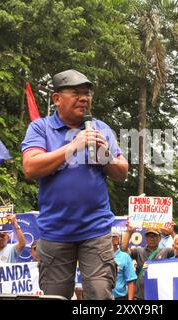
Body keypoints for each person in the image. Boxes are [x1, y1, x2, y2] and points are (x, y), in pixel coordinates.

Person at [21, 69, 128, 300]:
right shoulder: (40, 128)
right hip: (55, 232)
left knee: (100, 295)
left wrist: (106, 155)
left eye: (87, 93)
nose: (84, 98)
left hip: (95, 230)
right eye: (76, 93)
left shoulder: (100, 128)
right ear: (57, 98)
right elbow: (30, 167)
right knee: (54, 297)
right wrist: (73, 146)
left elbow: (122, 172)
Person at [121, 222, 174, 300]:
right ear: (145, 238)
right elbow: (124, 250)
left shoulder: (166, 251)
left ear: (160, 237)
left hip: (160, 294)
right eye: (149, 236)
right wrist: (129, 232)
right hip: (141, 295)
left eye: (155, 236)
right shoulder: (138, 251)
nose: (152, 238)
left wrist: (172, 233)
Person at [111, 231, 137, 300]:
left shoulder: (125, 257)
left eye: (108, 238)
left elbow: (131, 281)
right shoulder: (99, 256)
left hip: (120, 297)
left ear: (116, 240)